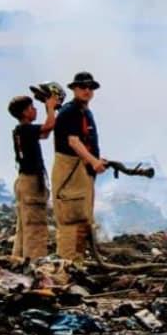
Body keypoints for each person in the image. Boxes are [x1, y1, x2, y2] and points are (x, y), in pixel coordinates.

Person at [51, 71, 108, 260]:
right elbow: (73, 142)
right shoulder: (70, 112)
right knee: (71, 221)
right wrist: (93, 161)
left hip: (82, 173)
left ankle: (77, 265)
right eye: (83, 87)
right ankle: (65, 269)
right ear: (74, 89)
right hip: (70, 171)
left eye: (90, 87)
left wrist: (96, 160)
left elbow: (86, 141)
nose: (87, 90)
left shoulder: (85, 112)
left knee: (83, 220)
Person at [8, 91, 58, 260]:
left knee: (23, 225)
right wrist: (50, 107)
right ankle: (34, 261)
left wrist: (49, 111)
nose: (35, 111)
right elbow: (49, 126)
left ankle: (18, 258)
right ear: (24, 112)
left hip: (22, 181)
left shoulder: (19, 131)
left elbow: (44, 134)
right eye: (32, 108)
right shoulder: (26, 129)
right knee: (36, 225)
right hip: (31, 183)